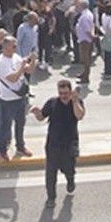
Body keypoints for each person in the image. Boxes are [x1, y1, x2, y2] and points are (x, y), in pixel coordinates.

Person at [31, 79, 86, 208]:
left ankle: (70, 180)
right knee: (50, 173)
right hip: (53, 144)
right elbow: (41, 117)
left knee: (68, 169)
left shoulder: (76, 102)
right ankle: (51, 197)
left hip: (69, 144)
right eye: (61, 93)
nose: (63, 96)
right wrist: (37, 113)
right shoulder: (52, 103)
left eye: (66, 93)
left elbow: (80, 116)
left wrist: (75, 100)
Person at [0, 34, 34, 161]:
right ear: (6, 48)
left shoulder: (16, 57)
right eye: (13, 46)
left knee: (20, 124)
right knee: (6, 126)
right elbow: (12, 78)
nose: (15, 48)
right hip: (7, 99)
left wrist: (33, 60)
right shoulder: (0, 62)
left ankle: (20, 146)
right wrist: (22, 67)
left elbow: (29, 71)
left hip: (20, 97)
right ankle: (3, 150)